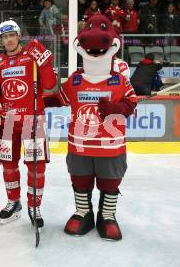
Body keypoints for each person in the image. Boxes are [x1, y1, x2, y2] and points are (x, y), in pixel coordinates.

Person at [55, 14, 137, 241]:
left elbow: (131, 104)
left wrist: (114, 107)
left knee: (110, 182)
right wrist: (35, 100)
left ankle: (107, 216)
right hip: (80, 146)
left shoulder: (120, 80)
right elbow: (58, 99)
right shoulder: (75, 80)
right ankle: (83, 213)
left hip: (110, 146)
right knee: (80, 180)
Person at [0, 20, 57, 226]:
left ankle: (34, 206)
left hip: (32, 121)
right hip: (8, 123)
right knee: (8, 166)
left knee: (36, 167)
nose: (8, 40)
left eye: (11, 35)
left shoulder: (31, 58)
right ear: (1, 40)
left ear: (18, 36)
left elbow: (51, 84)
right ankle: (13, 202)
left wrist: (43, 61)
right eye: (4, 37)